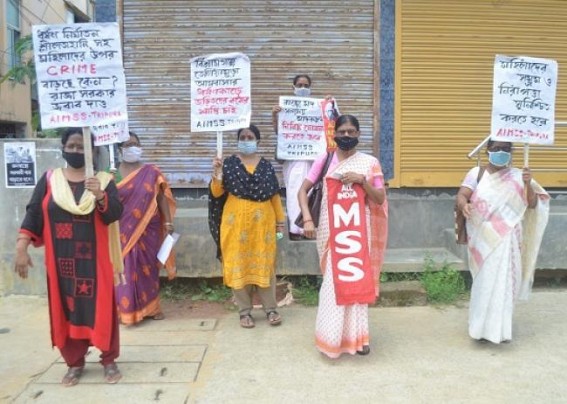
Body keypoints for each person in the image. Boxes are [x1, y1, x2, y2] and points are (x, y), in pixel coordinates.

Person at [14, 127, 124, 386]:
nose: (75, 151)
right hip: (61, 262)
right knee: (67, 309)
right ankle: (74, 363)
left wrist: (99, 193)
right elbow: (34, 213)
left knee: (102, 307)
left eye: (81, 146)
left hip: (95, 261)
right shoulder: (51, 180)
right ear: (63, 148)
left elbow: (114, 214)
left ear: (92, 151)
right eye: (71, 146)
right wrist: (21, 246)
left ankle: (109, 359)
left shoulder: (104, 181)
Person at [298, 114, 388, 358]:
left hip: (358, 232)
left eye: (351, 132)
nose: (346, 136)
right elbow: (303, 191)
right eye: (342, 132)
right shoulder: (324, 159)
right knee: (332, 284)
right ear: (334, 134)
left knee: (357, 280)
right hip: (330, 232)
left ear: (358, 134)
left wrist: (362, 181)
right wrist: (307, 218)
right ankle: (331, 338)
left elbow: (379, 199)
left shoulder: (370, 163)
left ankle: (359, 338)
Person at [456, 140, 549, 344]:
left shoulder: (518, 176)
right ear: (488, 150)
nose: (501, 152)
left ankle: (501, 331)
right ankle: (479, 329)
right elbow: (462, 195)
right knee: (484, 282)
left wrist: (527, 184)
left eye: (506, 149)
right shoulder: (476, 173)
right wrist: (464, 206)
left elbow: (533, 204)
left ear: (512, 152)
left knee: (506, 283)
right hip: (482, 238)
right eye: (496, 148)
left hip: (509, 238)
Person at [208, 124, 286, 328]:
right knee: (239, 265)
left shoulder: (267, 166)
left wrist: (280, 222)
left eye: (250, 137)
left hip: (263, 227)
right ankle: (244, 312)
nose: (246, 140)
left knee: (265, 266)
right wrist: (216, 173)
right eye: (242, 137)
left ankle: (271, 309)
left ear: (257, 141)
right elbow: (217, 193)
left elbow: (274, 195)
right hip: (235, 226)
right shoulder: (228, 164)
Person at [114, 132, 177, 325]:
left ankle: (152, 308)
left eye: (135, 143)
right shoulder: (112, 174)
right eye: (128, 144)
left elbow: (161, 197)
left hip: (149, 229)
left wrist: (167, 222)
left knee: (148, 269)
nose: (133, 147)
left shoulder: (152, 172)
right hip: (121, 230)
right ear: (120, 150)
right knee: (124, 269)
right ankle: (124, 310)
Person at [272, 74, 319, 240]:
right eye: (299, 85)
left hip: (312, 160)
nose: (303, 88)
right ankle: (295, 229)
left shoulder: (316, 109)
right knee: (293, 193)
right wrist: (275, 116)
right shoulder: (287, 108)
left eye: (306, 85)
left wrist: (329, 105)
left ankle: (309, 228)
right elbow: (280, 133)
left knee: (312, 193)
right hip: (293, 160)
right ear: (293, 87)